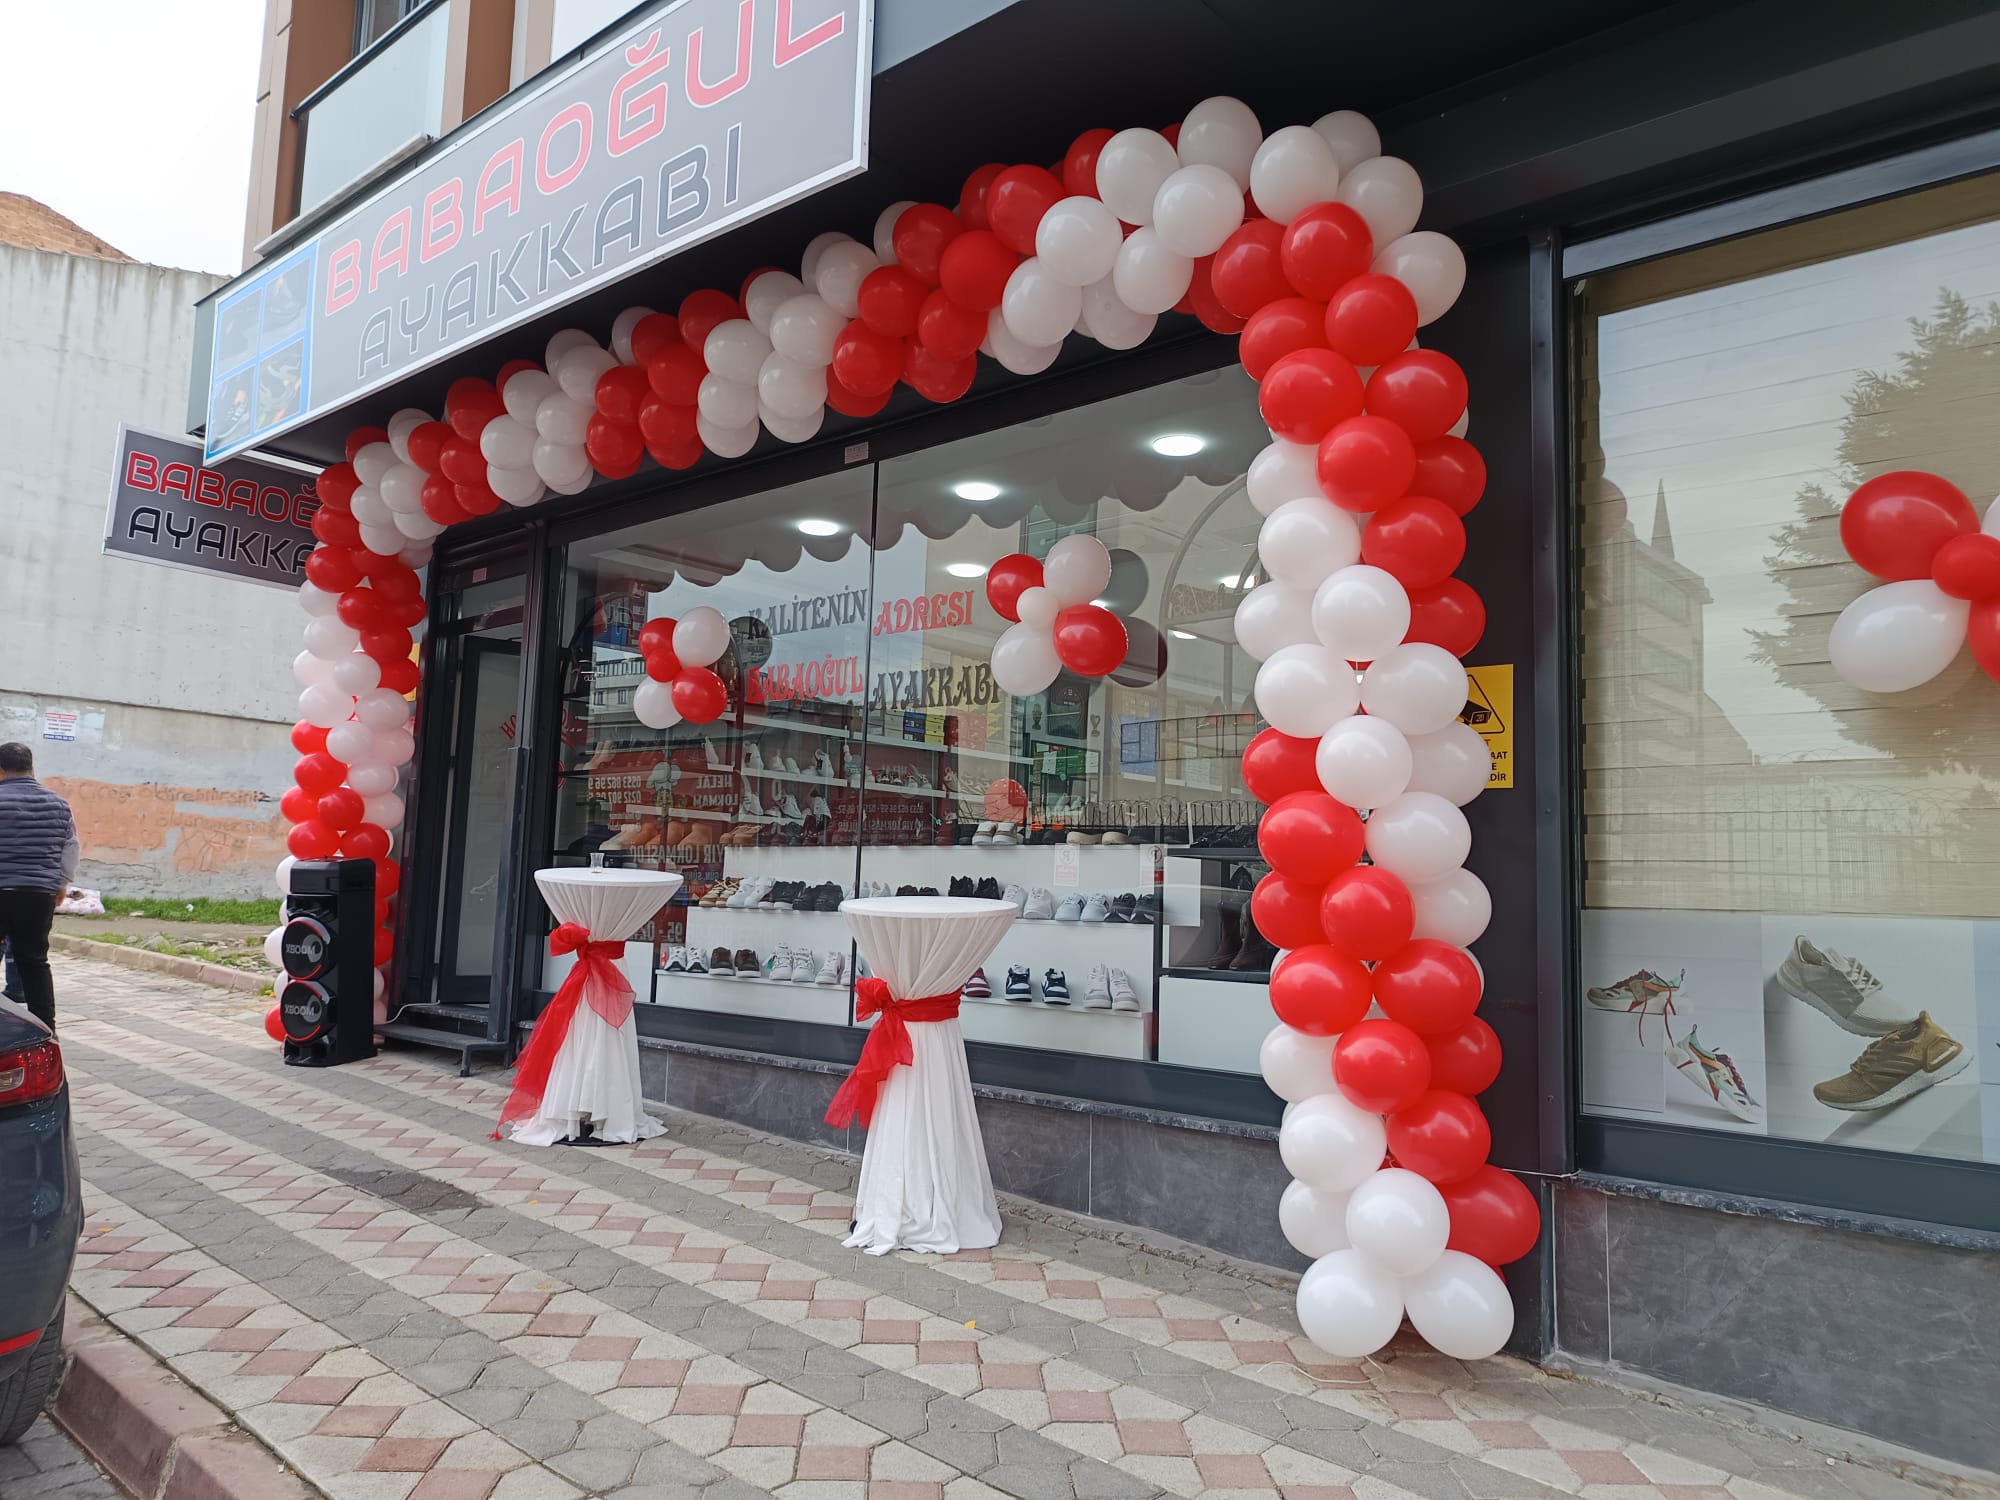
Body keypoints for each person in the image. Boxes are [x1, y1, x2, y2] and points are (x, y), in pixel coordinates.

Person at [0, 744, 79, 1030]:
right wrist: (61, 884)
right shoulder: (59, 804)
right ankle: (46, 1030)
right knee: (34, 962)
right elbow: (71, 848)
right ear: (32, 767)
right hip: (38, 893)